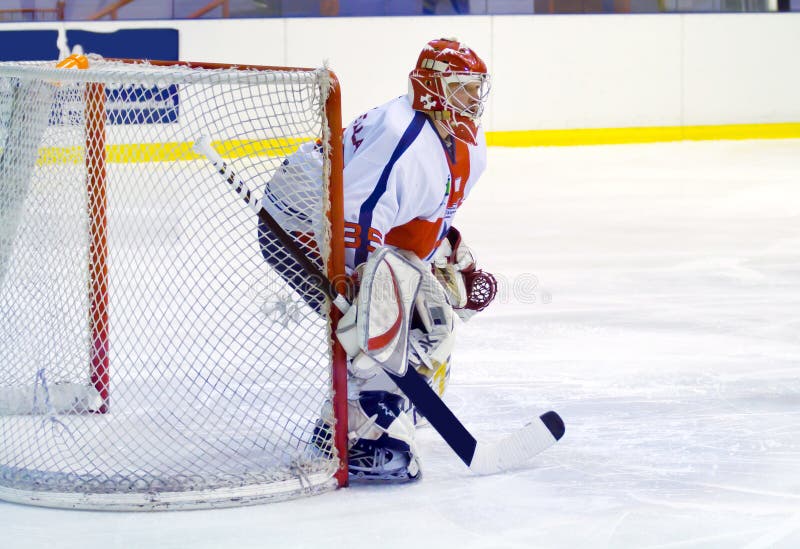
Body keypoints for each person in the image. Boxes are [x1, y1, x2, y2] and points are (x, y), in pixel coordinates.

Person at [259, 37, 497, 483]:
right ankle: (356, 439)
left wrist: (448, 255)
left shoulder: (466, 142)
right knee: (376, 326)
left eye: (476, 88)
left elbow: (428, 213)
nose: (473, 99)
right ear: (432, 88)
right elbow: (354, 218)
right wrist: (362, 293)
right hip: (297, 225)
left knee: (430, 312)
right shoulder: (402, 137)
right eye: (462, 88)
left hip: (344, 217)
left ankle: (391, 404)